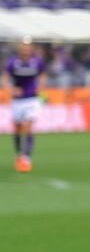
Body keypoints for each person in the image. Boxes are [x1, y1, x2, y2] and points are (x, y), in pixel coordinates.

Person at [3, 38, 47, 173]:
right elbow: (5, 78)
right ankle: (19, 155)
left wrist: (40, 85)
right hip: (18, 100)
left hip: (32, 99)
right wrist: (11, 89)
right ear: (20, 49)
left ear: (31, 48)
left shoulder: (37, 61)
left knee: (28, 127)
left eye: (27, 47)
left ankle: (26, 158)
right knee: (17, 129)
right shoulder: (13, 62)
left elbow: (43, 75)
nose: (25, 50)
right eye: (23, 47)